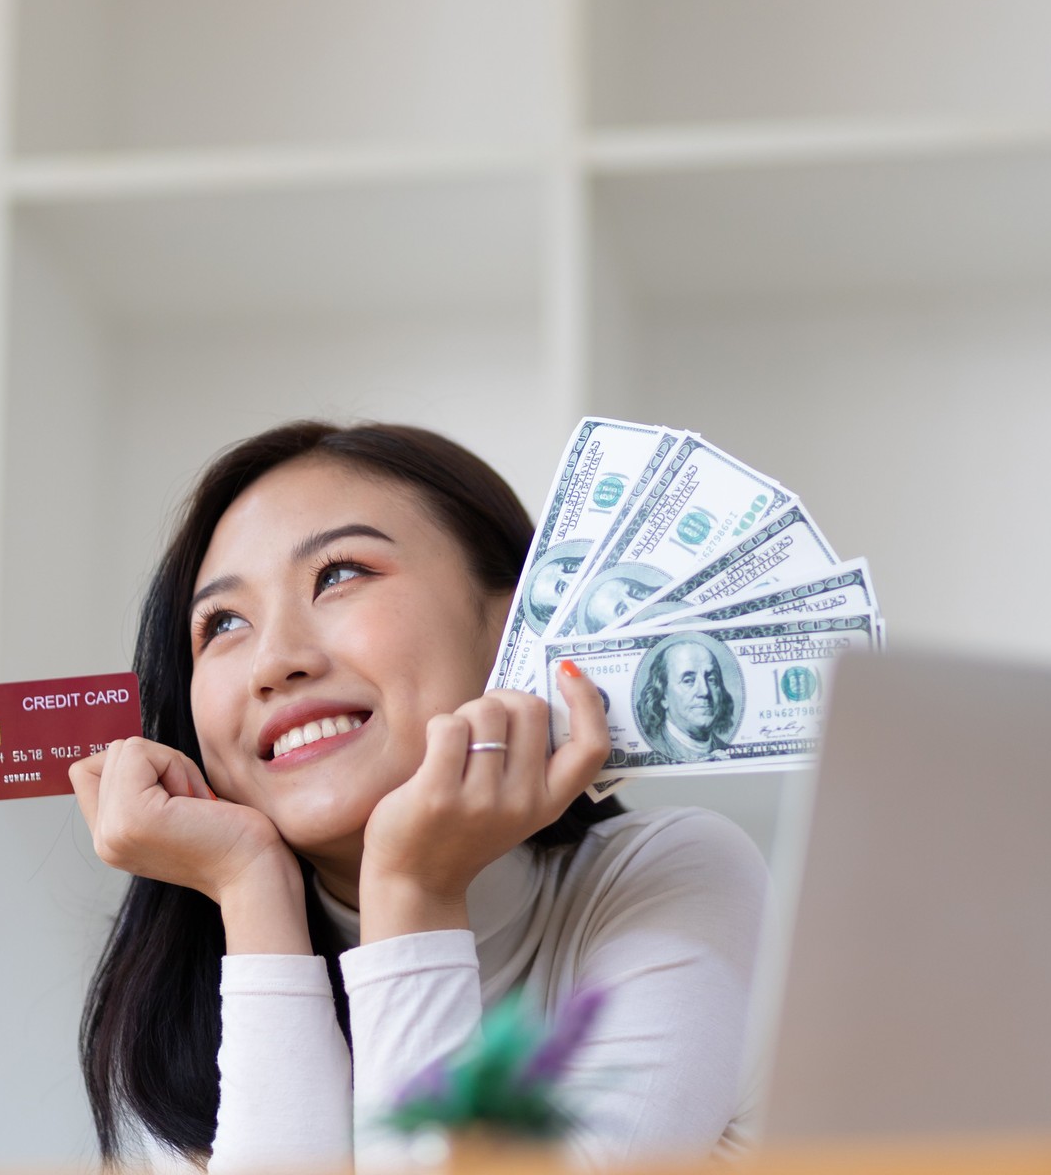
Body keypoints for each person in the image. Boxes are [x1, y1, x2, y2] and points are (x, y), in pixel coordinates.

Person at [69, 421, 767, 1171]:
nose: (273, 661)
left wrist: (414, 887)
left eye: (338, 575)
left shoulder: (674, 876)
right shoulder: (170, 1018)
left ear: (514, 623)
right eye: (224, 623)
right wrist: (250, 890)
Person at [634, 636, 739, 763]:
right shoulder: (650, 753)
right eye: (688, 680)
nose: (704, 691)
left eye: (711, 680)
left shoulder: (732, 753)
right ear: (663, 696)